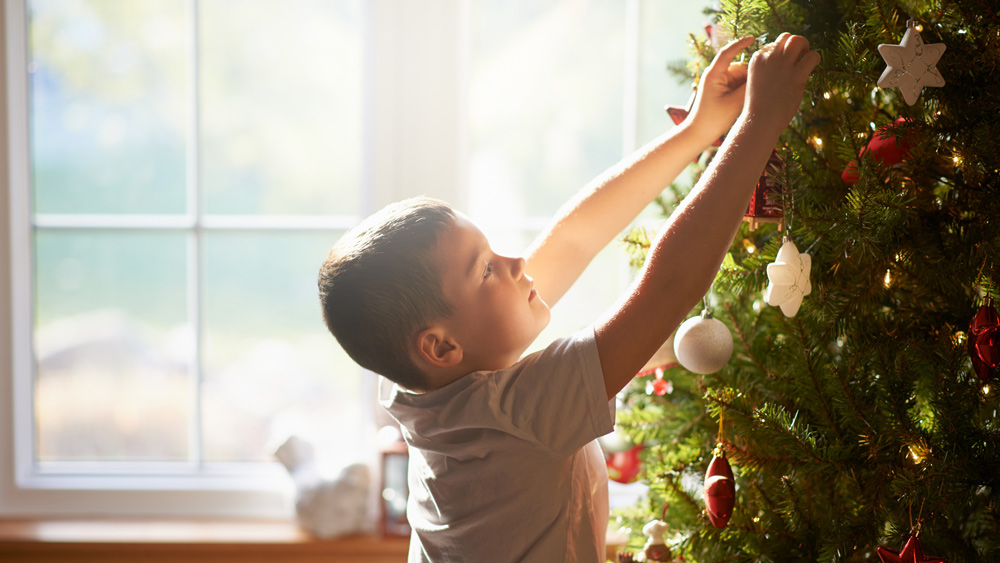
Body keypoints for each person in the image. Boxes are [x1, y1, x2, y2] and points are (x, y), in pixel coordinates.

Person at [319, 33, 819, 562]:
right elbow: (667, 289)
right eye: (486, 269)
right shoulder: (514, 412)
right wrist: (758, 125)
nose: (517, 264)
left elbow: (574, 239)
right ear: (440, 347)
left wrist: (698, 131)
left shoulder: (415, 386)